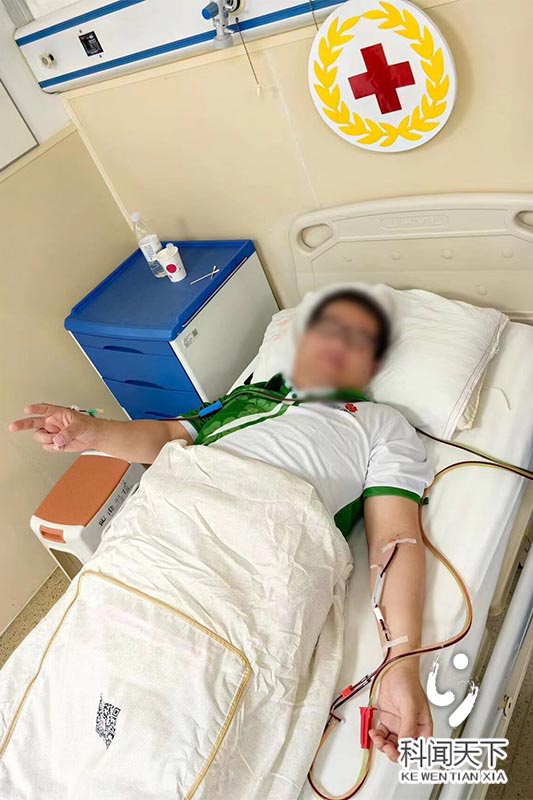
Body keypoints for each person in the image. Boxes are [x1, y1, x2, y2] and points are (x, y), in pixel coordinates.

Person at [9, 288, 434, 764]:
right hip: (165, 530)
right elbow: (168, 436)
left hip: (263, 552)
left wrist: (401, 661)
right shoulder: (242, 398)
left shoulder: (381, 425)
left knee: (187, 720)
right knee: (62, 682)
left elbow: (395, 540)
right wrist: (95, 433)